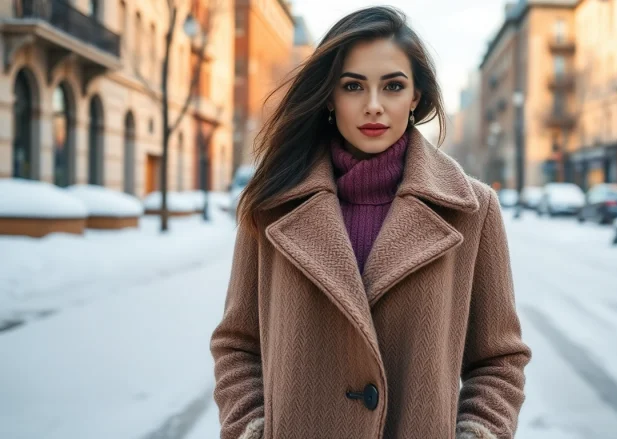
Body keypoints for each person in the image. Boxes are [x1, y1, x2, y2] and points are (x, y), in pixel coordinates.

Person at [210, 7, 531, 439]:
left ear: (415, 96)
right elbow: (237, 344)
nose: (374, 106)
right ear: (329, 96)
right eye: (353, 86)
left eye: (393, 86)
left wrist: (479, 432)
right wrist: (250, 428)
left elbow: (498, 359)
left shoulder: (473, 209)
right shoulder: (273, 204)